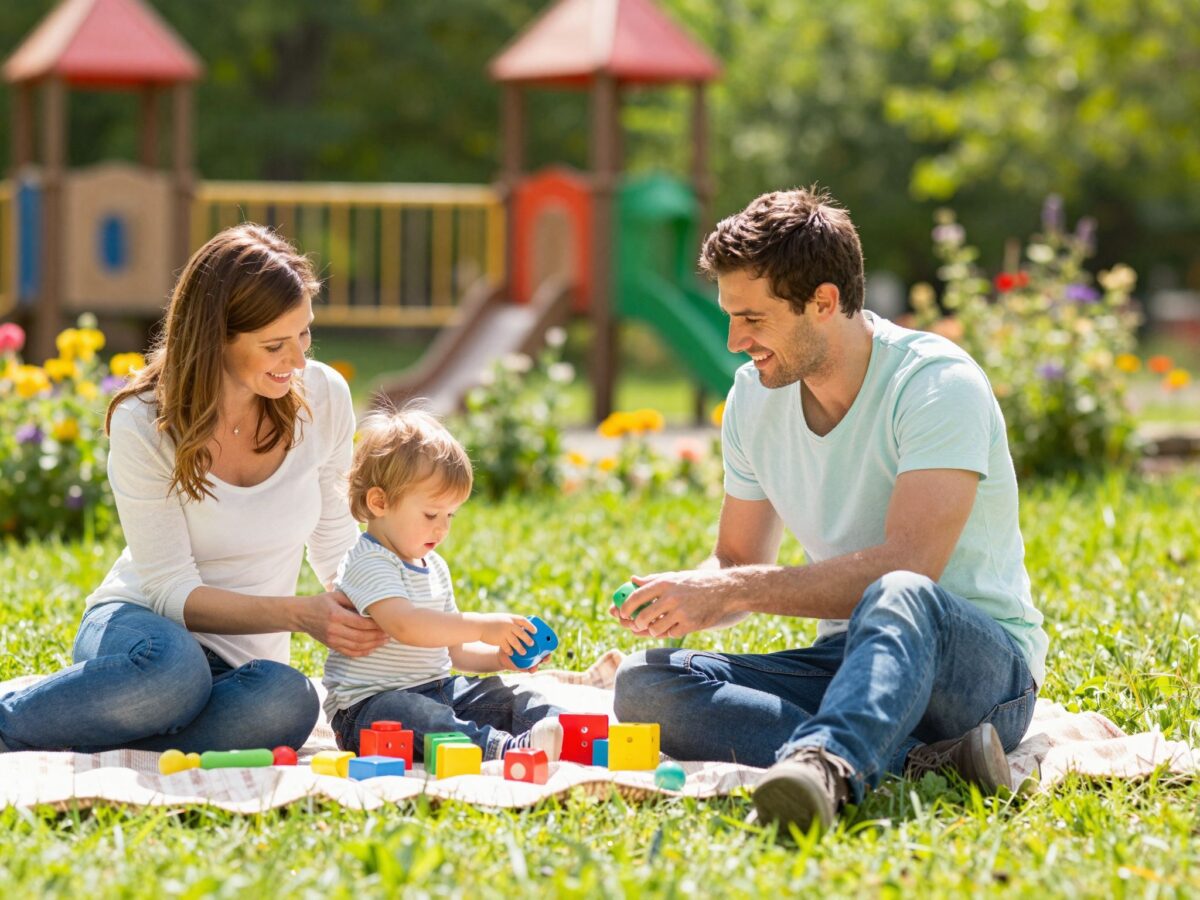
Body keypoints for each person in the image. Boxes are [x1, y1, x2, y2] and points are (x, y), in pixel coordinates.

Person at [611, 187, 1047, 834]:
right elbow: (736, 560)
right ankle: (926, 764)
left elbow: (911, 567)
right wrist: (687, 595)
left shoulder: (935, 384)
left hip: (978, 677)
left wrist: (731, 588)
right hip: (850, 663)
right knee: (646, 686)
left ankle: (825, 767)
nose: (734, 341)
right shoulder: (753, 399)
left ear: (823, 302)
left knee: (899, 591)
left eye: (752, 318)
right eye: (730, 316)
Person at [0, 224, 386, 754]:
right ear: (215, 338)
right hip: (143, 636)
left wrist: (384, 607)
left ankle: (99, 723)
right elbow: (170, 592)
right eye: (275, 345)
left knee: (289, 701)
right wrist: (301, 613)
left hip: (240, 665)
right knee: (175, 677)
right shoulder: (143, 421)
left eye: (304, 335)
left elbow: (334, 535)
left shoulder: (323, 395)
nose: (299, 361)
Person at [323, 408, 564, 764]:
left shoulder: (433, 565)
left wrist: (499, 658)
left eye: (450, 515)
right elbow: (406, 625)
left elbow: (455, 653)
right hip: (368, 709)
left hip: (438, 690)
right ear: (379, 502)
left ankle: (566, 729)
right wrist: (482, 626)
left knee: (505, 696)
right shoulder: (368, 561)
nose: (442, 528)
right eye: (431, 514)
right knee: (410, 712)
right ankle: (499, 748)